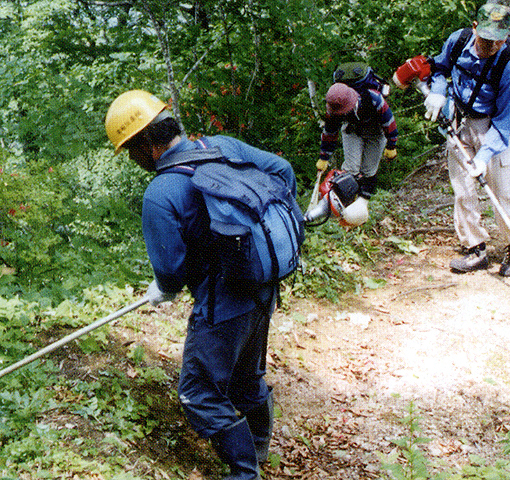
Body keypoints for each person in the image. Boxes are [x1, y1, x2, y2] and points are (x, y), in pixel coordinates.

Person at [104, 90, 298, 480]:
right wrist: (269, 231)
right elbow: (283, 172)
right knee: (245, 377)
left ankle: (245, 473)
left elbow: (170, 273)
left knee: (198, 392)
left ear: (147, 143)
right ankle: (259, 450)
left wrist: (163, 287)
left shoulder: (162, 192)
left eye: (130, 149)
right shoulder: (221, 146)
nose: (132, 159)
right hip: (264, 286)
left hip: (222, 304)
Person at [424, 3, 510, 276]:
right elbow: (439, 67)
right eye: (484, 39)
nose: (489, 46)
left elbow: (504, 124)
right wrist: (437, 91)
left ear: (505, 38)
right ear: (474, 28)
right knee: (463, 189)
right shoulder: (457, 41)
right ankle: (475, 247)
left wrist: (483, 157)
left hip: (491, 127)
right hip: (459, 120)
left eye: (496, 41)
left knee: (502, 189)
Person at [317, 82, 398, 220]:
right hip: (352, 129)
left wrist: (391, 145)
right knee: (350, 169)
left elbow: (389, 122)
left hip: (376, 131)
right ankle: (341, 206)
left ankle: (361, 208)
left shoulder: (374, 99)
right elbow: (329, 132)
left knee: (369, 170)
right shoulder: (333, 109)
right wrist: (324, 156)